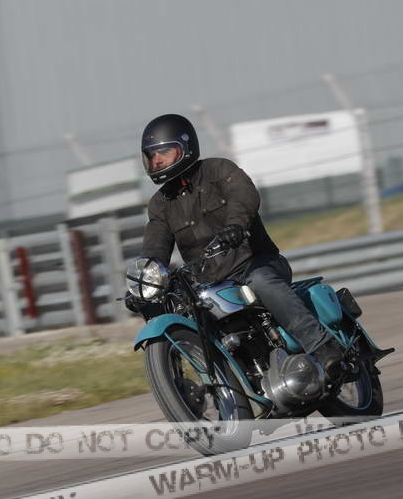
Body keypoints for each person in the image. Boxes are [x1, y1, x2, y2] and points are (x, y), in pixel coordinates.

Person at [134, 113, 345, 384]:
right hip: (209, 281)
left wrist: (235, 226)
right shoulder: (160, 203)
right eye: (151, 156)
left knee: (262, 282)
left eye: (164, 152)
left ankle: (322, 346)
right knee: (183, 309)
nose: (157, 161)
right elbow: (155, 244)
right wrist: (144, 283)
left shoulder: (218, 170)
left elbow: (244, 195)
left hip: (255, 263)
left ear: (185, 148)